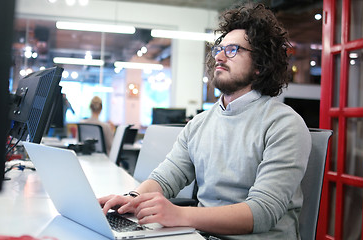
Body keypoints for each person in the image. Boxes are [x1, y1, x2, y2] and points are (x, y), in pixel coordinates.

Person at [99, 3, 311, 239]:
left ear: (260, 64)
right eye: (219, 49)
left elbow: (262, 212)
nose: (219, 56)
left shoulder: (284, 124)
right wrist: (131, 200)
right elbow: (165, 178)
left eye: (233, 50)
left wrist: (179, 215)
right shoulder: (199, 124)